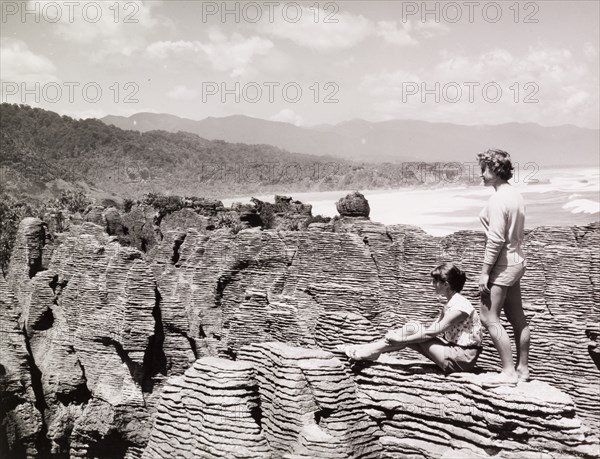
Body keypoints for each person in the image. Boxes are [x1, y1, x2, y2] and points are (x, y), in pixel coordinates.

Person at [344, 263, 483, 374]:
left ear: (446, 284)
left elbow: (431, 333)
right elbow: (429, 330)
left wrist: (401, 339)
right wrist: (402, 337)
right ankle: (371, 350)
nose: (431, 284)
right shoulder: (451, 303)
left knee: (411, 332)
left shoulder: (460, 307)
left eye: (435, 281)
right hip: (452, 350)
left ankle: (370, 350)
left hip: (460, 358)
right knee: (412, 327)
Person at [477, 149, 530, 387]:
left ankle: (508, 372)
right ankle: (523, 369)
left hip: (502, 263)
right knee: (517, 317)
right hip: (517, 260)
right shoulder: (515, 195)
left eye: (484, 169)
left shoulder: (497, 199)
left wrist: (485, 272)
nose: (481, 174)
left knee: (488, 316)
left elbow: (496, 239)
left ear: (496, 170)